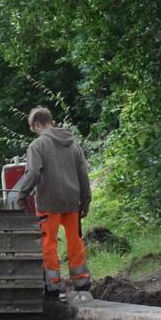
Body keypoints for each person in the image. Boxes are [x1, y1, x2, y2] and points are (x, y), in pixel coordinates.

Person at [12, 106, 93, 296]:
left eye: (34, 129)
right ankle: (81, 282)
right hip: (72, 201)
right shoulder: (73, 144)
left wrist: (22, 195)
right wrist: (85, 200)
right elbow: (83, 174)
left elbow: (33, 172)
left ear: (37, 124)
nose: (36, 133)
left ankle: (53, 285)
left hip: (49, 201)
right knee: (75, 240)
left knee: (49, 242)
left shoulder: (37, 146)